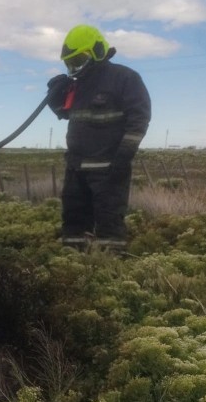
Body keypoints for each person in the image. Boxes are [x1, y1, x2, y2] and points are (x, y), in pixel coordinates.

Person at [47, 24, 151, 251]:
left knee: (109, 226)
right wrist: (54, 98)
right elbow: (66, 114)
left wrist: (123, 157)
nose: (75, 67)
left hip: (109, 170)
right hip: (76, 169)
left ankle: (109, 275)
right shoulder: (78, 85)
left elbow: (139, 119)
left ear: (97, 51)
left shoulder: (125, 78)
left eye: (79, 59)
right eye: (70, 62)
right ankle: (71, 272)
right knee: (73, 224)